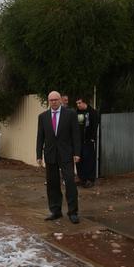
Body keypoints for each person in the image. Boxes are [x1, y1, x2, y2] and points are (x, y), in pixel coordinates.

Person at [36, 91, 81, 223]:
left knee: (70, 182)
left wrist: (77, 153)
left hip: (66, 154)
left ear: (60, 100)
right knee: (52, 184)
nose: (54, 102)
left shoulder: (70, 114)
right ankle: (55, 211)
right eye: (51, 100)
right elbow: (40, 137)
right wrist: (38, 155)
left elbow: (76, 135)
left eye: (56, 99)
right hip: (50, 155)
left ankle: (73, 212)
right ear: (48, 101)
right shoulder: (43, 117)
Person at [75, 96, 100, 188]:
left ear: (85, 103)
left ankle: (90, 179)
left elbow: (94, 126)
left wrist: (92, 138)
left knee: (88, 160)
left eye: (79, 103)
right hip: (78, 141)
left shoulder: (92, 112)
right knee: (79, 160)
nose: (78, 105)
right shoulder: (76, 112)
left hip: (88, 141)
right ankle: (82, 178)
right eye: (77, 103)